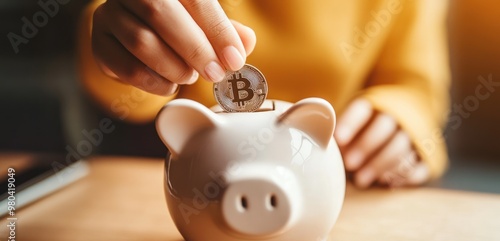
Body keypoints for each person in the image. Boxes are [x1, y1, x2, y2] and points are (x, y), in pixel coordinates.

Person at [78, 0, 450, 188]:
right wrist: (125, 52)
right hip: (198, 177)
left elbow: (418, 89)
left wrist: (403, 118)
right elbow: (121, 86)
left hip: (338, 176)